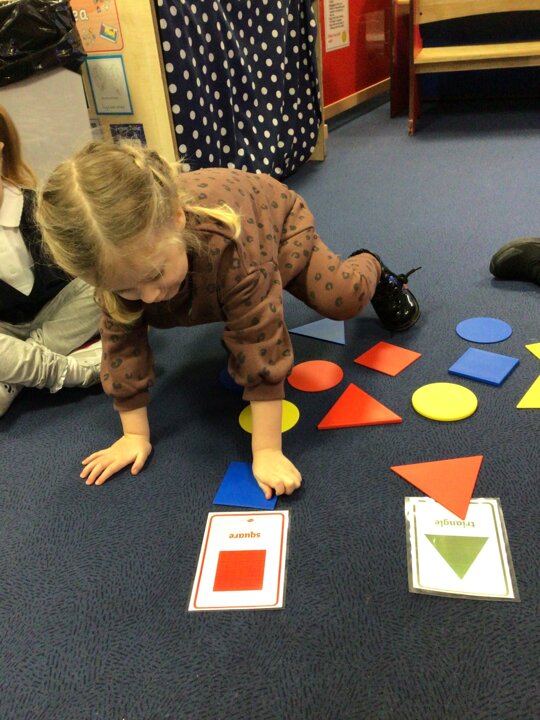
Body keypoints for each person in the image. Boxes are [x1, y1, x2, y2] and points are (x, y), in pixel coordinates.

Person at [36, 140, 420, 498]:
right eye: (127, 288)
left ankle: (372, 265)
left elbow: (260, 342)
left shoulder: (233, 252)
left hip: (274, 225)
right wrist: (134, 436)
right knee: (167, 300)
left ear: (176, 219)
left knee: (341, 298)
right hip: (213, 259)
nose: (149, 297)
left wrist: (266, 451)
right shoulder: (120, 265)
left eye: (154, 274)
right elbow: (122, 347)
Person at [0, 105, 102, 417]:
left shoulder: (36, 205)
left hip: (59, 316)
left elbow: (89, 270)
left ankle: (17, 375)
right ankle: (83, 368)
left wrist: (19, 360)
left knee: (105, 283)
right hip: (5, 335)